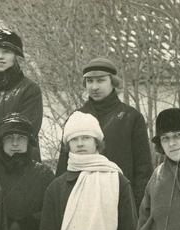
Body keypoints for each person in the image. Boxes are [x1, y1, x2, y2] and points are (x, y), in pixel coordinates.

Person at [55, 57, 153, 212]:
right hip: (81, 203)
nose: (94, 87)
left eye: (100, 81)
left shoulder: (131, 117)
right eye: (89, 81)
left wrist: (137, 209)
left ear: (112, 82)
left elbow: (143, 169)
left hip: (120, 202)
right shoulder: (76, 118)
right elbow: (63, 166)